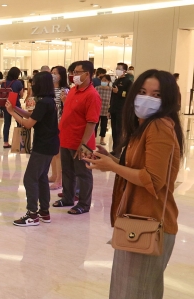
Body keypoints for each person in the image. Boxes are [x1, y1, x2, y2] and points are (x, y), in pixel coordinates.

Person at [84, 70, 183, 299]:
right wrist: (113, 159)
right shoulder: (146, 126)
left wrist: (113, 167)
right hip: (137, 222)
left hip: (149, 223)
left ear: (167, 99)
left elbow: (153, 180)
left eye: (156, 95)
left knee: (134, 293)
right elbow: (142, 167)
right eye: (142, 92)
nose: (147, 98)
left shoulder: (159, 126)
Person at [6, 72, 59, 226]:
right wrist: (15, 108)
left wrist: (11, 113)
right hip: (49, 144)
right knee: (41, 177)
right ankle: (44, 211)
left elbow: (28, 124)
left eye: (34, 82)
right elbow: (32, 115)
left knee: (29, 179)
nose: (31, 86)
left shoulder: (44, 102)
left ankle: (32, 214)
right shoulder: (48, 101)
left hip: (43, 146)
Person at [52, 61, 101, 215]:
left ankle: (84, 204)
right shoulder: (73, 91)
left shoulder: (92, 95)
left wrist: (84, 144)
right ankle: (68, 198)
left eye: (78, 72)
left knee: (83, 174)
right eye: (73, 72)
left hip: (81, 142)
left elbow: (92, 121)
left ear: (88, 74)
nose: (74, 75)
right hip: (66, 138)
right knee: (67, 171)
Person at [48, 66, 69, 191]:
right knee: (52, 152)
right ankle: (54, 174)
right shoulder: (49, 89)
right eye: (52, 72)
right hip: (49, 123)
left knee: (58, 153)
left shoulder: (64, 90)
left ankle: (59, 180)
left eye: (55, 73)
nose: (53, 75)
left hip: (60, 123)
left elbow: (67, 108)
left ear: (61, 75)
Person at [109, 63, 132, 154]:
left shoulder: (128, 82)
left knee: (119, 131)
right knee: (114, 130)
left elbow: (129, 95)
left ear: (124, 71)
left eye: (119, 69)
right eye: (117, 68)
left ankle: (118, 151)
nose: (117, 70)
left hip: (121, 110)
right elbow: (112, 96)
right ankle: (115, 149)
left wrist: (119, 92)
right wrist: (109, 109)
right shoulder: (116, 81)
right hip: (114, 109)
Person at [0, 67, 24, 148]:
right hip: (16, 106)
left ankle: (5, 142)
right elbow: (21, 95)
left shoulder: (4, 82)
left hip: (6, 105)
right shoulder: (18, 83)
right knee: (19, 123)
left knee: (7, 123)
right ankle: (19, 142)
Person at [95, 75, 112, 146]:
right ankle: (93, 138)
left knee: (104, 125)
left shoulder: (111, 90)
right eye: (102, 80)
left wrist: (110, 110)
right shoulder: (97, 88)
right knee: (95, 125)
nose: (103, 82)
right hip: (97, 109)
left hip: (106, 110)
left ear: (108, 81)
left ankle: (102, 139)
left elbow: (112, 100)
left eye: (105, 80)